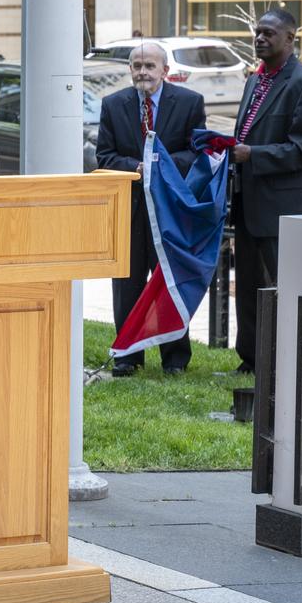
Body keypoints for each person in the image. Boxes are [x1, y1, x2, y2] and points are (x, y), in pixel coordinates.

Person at [96, 41, 206, 375]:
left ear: (165, 71)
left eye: (149, 66)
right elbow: (105, 157)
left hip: (170, 211)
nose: (143, 72)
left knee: (167, 282)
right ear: (130, 69)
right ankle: (128, 356)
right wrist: (137, 166)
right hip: (129, 209)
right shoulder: (113, 105)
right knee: (127, 284)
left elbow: (197, 152)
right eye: (137, 66)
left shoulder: (190, 103)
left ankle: (175, 359)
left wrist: (162, 165)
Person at [230, 8, 302, 373]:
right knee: (251, 286)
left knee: (285, 289)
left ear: (290, 39)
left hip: (286, 206)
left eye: (269, 33)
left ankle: (290, 362)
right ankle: (252, 358)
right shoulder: (257, 80)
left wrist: (253, 154)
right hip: (249, 202)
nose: (260, 39)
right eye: (257, 32)